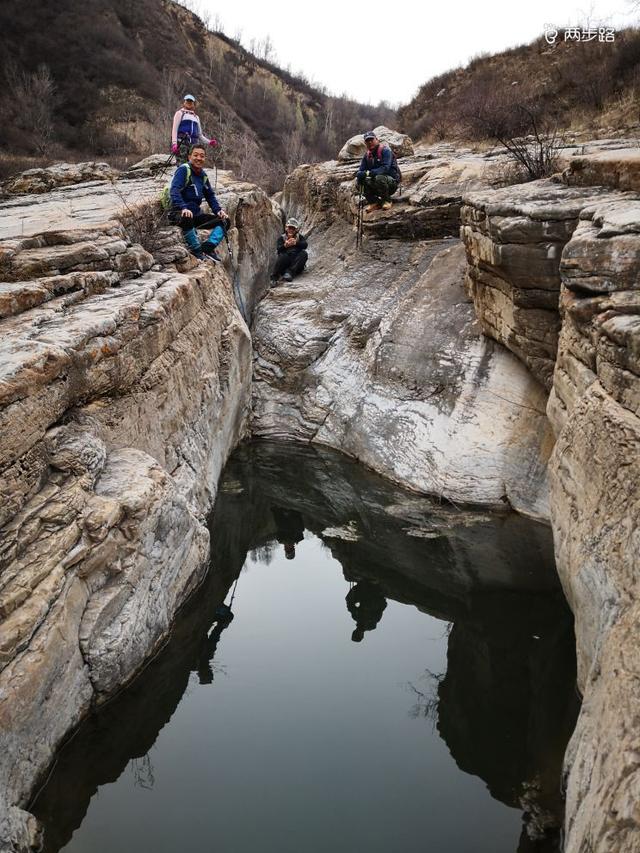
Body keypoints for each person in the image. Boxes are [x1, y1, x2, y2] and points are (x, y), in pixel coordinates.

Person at [169, 144, 229, 261]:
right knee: (186, 217)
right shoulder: (183, 170)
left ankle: (207, 248)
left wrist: (218, 211)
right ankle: (197, 251)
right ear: (189, 156)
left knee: (225, 221)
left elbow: (210, 196)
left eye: (202, 156)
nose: (199, 158)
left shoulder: (203, 176)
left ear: (204, 158)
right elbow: (174, 190)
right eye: (195, 155)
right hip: (179, 213)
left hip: (196, 214)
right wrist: (183, 207)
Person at [355, 131, 400, 213]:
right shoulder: (367, 155)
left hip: (391, 183)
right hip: (377, 183)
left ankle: (387, 200)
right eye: (367, 141)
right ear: (365, 143)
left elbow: (385, 168)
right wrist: (359, 175)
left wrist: (368, 173)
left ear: (377, 140)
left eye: (372, 140)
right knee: (359, 181)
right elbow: (361, 170)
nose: (370, 142)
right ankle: (374, 202)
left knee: (379, 177)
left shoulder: (386, 151)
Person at [171, 94, 217, 164]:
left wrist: (209, 142)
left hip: (193, 145)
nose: (189, 103)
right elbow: (174, 130)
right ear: (184, 102)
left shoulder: (196, 117)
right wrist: (174, 144)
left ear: (193, 104)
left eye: (191, 102)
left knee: (193, 165)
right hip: (182, 143)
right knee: (182, 165)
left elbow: (199, 135)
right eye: (187, 101)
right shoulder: (180, 113)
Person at [271, 218, 308, 284]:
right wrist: (285, 246)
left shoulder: (299, 237)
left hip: (296, 263)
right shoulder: (282, 238)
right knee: (282, 256)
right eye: (289, 228)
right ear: (286, 228)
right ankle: (274, 278)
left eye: (293, 228)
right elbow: (278, 249)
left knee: (304, 254)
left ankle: (290, 272)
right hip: (285, 261)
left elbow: (305, 245)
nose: (291, 230)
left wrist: (296, 243)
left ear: (296, 230)